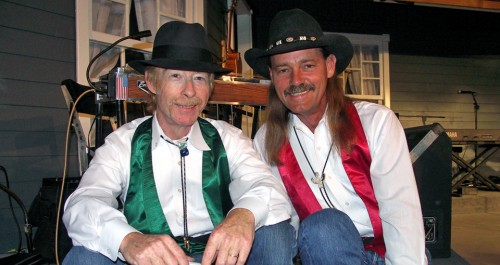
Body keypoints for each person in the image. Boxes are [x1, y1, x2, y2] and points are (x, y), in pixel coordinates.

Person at [63, 21, 295, 265]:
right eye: (175, 76)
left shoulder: (228, 138)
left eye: (199, 78)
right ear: (152, 83)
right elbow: (83, 203)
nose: (189, 91)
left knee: (275, 233)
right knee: (84, 256)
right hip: (150, 259)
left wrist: (243, 215)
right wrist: (128, 240)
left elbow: (269, 188)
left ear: (210, 88)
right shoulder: (124, 142)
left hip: (219, 256)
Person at [245, 8, 430, 265]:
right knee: (323, 227)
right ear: (272, 76)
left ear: (329, 66)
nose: (296, 80)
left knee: (325, 226)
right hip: (324, 252)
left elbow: (400, 211)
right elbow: (280, 217)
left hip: (386, 254)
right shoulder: (266, 141)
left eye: (307, 66)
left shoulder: (376, 122)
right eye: (283, 70)